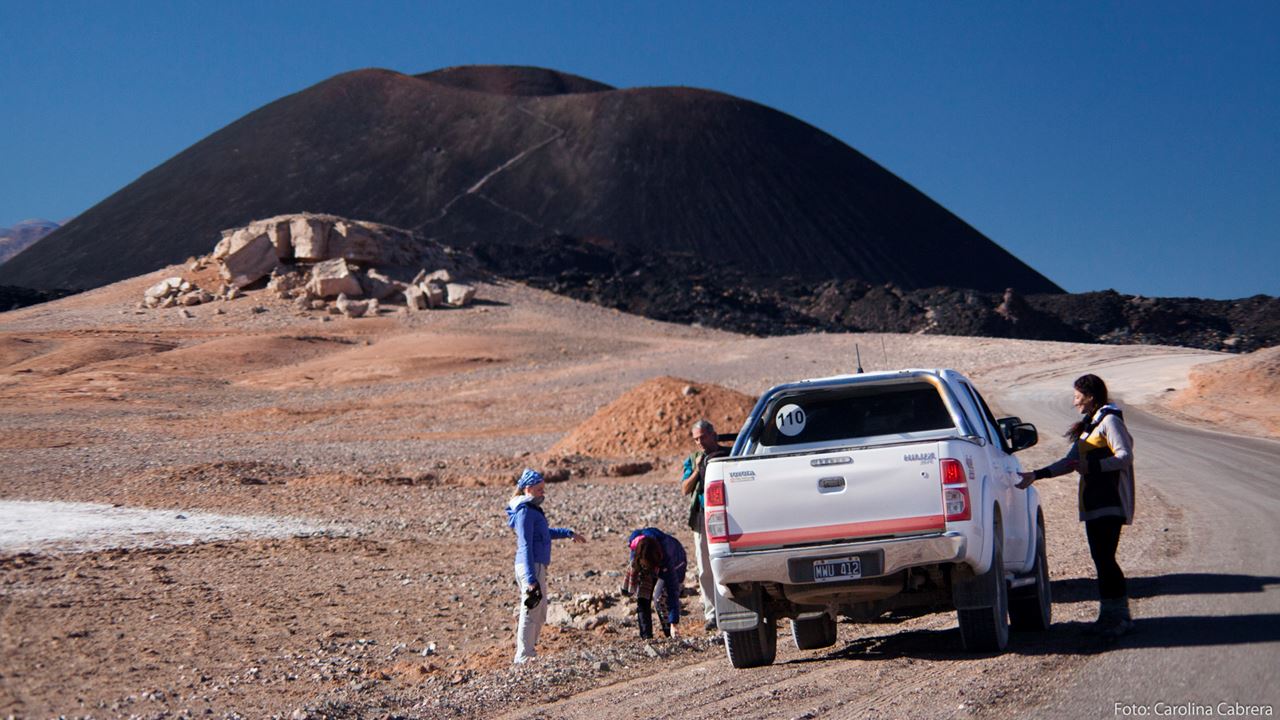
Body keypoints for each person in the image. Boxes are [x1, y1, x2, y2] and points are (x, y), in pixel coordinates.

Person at [1017, 374, 1136, 639]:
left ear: (1090, 396)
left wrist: (1092, 466)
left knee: (1106, 560)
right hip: (1093, 504)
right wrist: (1036, 475)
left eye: (1077, 396)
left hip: (1110, 502)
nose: (1074, 402)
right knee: (1101, 560)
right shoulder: (1089, 427)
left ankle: (1119, 617)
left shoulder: (1110, 421)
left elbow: (1125, 456)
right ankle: (1111, 616)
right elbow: (1069, 463)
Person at [505, 468, 587, 663]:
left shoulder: (532, 510)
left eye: (543, 489)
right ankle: (524, 656)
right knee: (531, 610)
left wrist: (567, 533)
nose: (543, 493)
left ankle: (529, 651)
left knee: (540, 611)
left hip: (536, 565)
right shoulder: (525, 511)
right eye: (539, 489)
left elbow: (543, 534)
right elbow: (525, 544)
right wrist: (531, 578)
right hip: (530, 565)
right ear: (528, 489)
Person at [681, 419, 729, 631]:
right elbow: (685, 488)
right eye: (696, 439)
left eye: (703, 437)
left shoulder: (728, 454)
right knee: (704, 566)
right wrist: (697, 470)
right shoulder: (693, 460)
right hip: (702, 515)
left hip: (727, 514)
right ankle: (712, 613)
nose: (700, 442)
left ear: (713, 435)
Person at [620, 527, 688, 639]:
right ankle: (646, 637)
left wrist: (674, 623)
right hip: (652, 562)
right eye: (643, 565)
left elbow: (672, 592)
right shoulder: (637, 548)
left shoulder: (666, 556)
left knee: (660, 598)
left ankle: (670, 634)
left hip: (677, 563)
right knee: (643, 596)